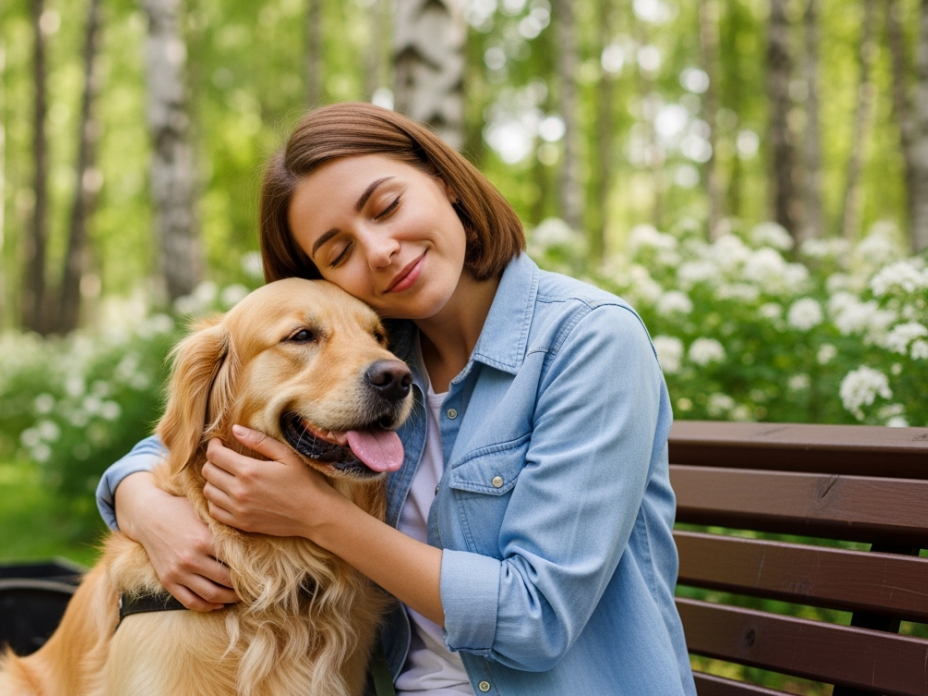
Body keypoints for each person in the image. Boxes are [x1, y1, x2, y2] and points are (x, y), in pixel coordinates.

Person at [97, 103, 696, 695]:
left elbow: (534, 618)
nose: (379, 250)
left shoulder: (588, 340)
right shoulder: (377, 352)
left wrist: (318, 515)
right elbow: (185, 434)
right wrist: (141, 501)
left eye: (387, 206)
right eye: (338, 253)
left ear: (442, 181)